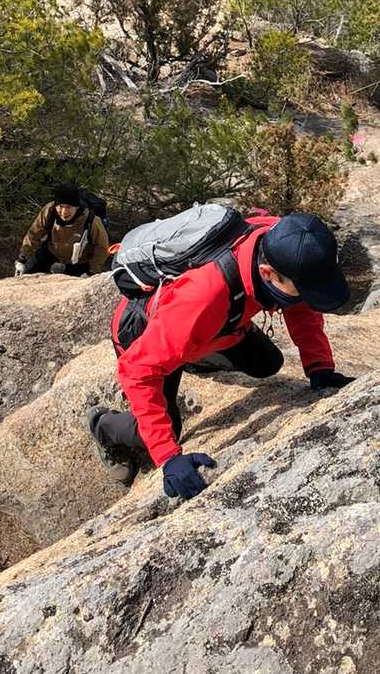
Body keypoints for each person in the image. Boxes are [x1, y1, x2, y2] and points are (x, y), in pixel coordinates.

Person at [87, 212, 354, 499]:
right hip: (144, 333)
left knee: (266, 363)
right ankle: (102, 426)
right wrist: (168, 456)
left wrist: (319, 367)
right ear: (266, 273)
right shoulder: (204, 297)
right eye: (304, 290)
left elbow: (301, 306)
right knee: (167, 427)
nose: (308, 297)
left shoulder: (283, 240)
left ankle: (194, 356)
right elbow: (137, 370)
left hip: (212, 326)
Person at [15, 184, 109, 277]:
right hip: (51, 253)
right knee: (26, 273)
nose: (64, 212)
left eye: (68, 207)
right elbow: (34, 234)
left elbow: (102, 247)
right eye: (61, 206)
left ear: (76, 207)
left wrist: (92, 271)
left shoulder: (91, 220)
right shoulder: (50, 210)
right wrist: (22, 259)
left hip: (79, 262)